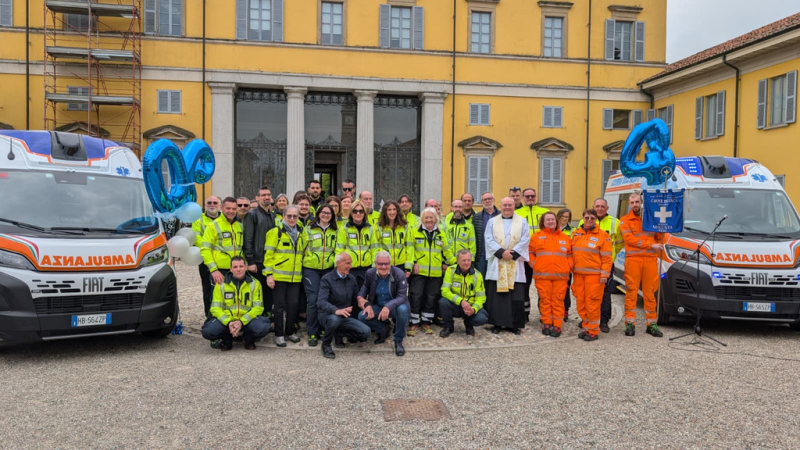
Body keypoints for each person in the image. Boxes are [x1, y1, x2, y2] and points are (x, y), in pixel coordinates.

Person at [201, 257, 270, 350]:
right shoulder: (221, 284)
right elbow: (215, 308)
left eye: (241, 266)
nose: (238, 269)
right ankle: (227, 338)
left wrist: (241, 322)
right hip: (227, 321)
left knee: (264, 327)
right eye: (235, 267)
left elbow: (258, 308)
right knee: (207, 331)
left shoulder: (255, 283)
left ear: (246, 267)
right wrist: (229, 322)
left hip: (247, 321)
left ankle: (248, 337)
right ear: (230, 269)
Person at [620, 192, 664, 338]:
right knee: (631, 292)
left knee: (650, 293)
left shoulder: (651, 219)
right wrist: (651, 245)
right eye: (632, 203)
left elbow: (659, 238)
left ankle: (651, 324)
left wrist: (661, 233)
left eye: (637, 202)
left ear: (642, 202)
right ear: (629, 204)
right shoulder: (625, 220)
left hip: (650, 259)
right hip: (633, 260)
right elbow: (630, 240)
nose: (635, 205)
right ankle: (630, 324)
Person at [484, 197, 530, 335]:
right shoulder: (492, 222)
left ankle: (514, 324)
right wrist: (501, 252)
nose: (508, 207)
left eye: (510, 205)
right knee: (498, 295)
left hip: (515, 262)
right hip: (498, 261)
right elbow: (488, 238)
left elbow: (526, 238)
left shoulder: (522, 221)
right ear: (500, 206)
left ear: (514, 206)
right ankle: (497, 323)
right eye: (505, 205)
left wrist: (514, 254)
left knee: (516, 295)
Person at [263, 205, 307, 347]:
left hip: (295, 277)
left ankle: (289, 332)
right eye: (289, 216)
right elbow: (268, 255)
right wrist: (269, 274)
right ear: (283, 216)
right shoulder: (275, 232)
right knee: (279, 306)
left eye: (295, 216)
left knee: (293, 305)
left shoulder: (301, 232)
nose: (292, 218)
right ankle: (279, 334)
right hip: (279, 276)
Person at [406, 207, 455, 336]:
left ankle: (426, 322)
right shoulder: (414, 232)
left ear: (435, 219)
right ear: (422, 219)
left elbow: (447, 252)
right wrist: (412, 264)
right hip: (419, 272)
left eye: (431, 217)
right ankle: (414, 323)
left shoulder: (441, 234)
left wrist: (455, 263)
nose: (429, 220)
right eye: (426, 217)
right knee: (416, 297)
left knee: (431, 298)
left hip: (435, 273)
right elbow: (410, 251)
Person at [579, 198, 624, 333]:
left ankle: (603, 321)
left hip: (605, 265)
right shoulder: (583, 222)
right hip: (588, 266)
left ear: (607, 208)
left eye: (602, 206)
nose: (599, 208)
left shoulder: (615, 223)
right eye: (597, 206)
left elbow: (621, 243)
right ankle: (587, 318)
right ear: (593, 207)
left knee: (605, 295)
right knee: (587, 294)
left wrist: (611, 257)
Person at [317, 253, 372, 359]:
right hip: (328, 315)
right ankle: (326, 344)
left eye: (350, 263)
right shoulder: (327, 279)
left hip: (344, 316)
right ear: (338, 263)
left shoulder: (351, 278)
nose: (350, 266)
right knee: (334, 319)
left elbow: (357, 297)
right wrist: (336, 310)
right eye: (348, 263)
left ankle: (339, 333)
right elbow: (321, 302)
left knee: (366, 332)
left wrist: (366, 304)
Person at [357, 251, 409, 357]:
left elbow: (402, 296)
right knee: (361, 316)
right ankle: (383, 329)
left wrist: (388, 306)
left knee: (403, 310)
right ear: (375, 264)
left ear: (390, 263)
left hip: (395, 307)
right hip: (378, 305)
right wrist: (361, 298)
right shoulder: (370, 273)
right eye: (380, 264)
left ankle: (398, 340)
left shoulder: (399, 274)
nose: (383, 266)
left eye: (386, 263)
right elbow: (365, 287)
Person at [529, 211, 573, 337]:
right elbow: (530, 252)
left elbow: (570, 255)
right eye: (547, 220)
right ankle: (547, 322)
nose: (550, 221)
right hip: (542, 276)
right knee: (545, 300)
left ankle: (557, 325)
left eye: (552, 219)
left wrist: (569, 266)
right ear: (543, 222)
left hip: (561, 276)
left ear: (556, 221)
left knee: (558, 301)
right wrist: (534, 264)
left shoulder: (565, 238)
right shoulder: (536, 237)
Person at [571, 209, 612, 342]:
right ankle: (587, 327)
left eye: (592, 218)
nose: (589, 220)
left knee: (592, 303)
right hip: (578, 275)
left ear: (596, 219)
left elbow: (607, 258)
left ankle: (594, 330)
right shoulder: (576, 234)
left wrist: (604, 274)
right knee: (580, 302)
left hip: (594, 276)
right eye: (587, 217)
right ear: (583, 218)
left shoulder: (603, 236)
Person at [302, 204, 338, 347]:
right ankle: (312, 331)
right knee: (313, 300)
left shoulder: (336, 231)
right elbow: (301, 249)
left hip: (328, 269)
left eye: (328, 213)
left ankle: (323, 328)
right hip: (311, 269)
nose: (325, 215)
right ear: (318, 214)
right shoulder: (308, 229)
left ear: (332, 215)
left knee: (325, 300)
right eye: (323, 212)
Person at [242, 186, 276, 323]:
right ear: (257, 198)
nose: (266, 197)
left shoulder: (272, 216)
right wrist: (250, 261)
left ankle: (267, 317)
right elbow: (248, 238)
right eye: (263, 195)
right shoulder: (252, 214)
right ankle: (257, 320)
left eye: (268, 195)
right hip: (257, 261)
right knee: (257, 293)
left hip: (269, 261)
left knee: (269, 293)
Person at [516, 187, 550, 321]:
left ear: (536, 197)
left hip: (542, 255)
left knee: (543, 287)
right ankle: (525, 313)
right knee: (524, 286)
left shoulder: (544, 212)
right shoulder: (517, 213)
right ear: (523, 198)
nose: (530, 198)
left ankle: (544, 313)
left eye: (532, 196)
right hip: (524, 255)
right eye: (527, 196)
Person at [439, 249, 489, 337]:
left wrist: (473, 309)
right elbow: (444, 291)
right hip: (456, 305)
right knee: (443, 302)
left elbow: (481, 298)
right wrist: (461, 301)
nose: (466, 263)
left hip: (470, 306)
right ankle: (448, 326)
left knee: (482, 318)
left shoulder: (477, 275)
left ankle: (469, 325)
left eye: (468, 260)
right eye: (463, 260)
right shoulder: (450, 270)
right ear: (457, 261)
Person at [200, 197, 244, 287]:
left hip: (238, 270)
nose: (231, 211)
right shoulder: (212, 226)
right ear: (221, 208)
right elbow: (205, 249)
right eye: (228, 208)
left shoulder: (240, 226)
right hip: (220, 271)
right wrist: (213, 270)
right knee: (219, 299)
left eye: (234, 209)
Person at [336, 200, 375, 290]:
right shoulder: (343, 229)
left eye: (361, 211)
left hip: (367, 268)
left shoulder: (371, 229)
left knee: (363, 297)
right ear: (351, 213)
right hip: (349, 269)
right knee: (350, 297)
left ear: (364, 213)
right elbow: (339, 250)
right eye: (355, 211)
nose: (358, 213)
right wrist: (340, 267)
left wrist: (373, 267)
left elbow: (375, 249)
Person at [192, 196, 220, 318]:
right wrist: (212, 247)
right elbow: (197, 239)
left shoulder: (225, 219)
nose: (212, 205)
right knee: (208, 290)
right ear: (205, 204)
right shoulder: (198, 220)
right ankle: (209, 316)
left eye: (215, 203)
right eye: (209, 202)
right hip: (205, 260)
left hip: (222, 260)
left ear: (220, 205)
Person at [372, 201, 409, 271]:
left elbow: (409, 248)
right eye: (389, 210)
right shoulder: (378, 227)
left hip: (401, 265)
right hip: (384, 265)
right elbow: (375, 248)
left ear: (397, 211)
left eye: (394, 209)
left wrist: (408, 267)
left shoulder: (404, 227)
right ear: (385, 212)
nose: (392, 212)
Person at [476, 192, 500, 276]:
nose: (487, 201)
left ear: (493, 200)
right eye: (484, 199)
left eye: (489, 199)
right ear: (482, 202)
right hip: (482, 255)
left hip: (497, 254)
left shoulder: (501, 215)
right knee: (481, 281)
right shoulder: (477, 217)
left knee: (496, 281)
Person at [461, 193, 485, 273]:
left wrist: (473, 258)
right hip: (456, 256)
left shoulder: (479, 216)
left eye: (469, 201)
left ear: (473, 202)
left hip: (474, 256)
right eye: (465, 201)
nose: (467, 202)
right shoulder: (450, 217)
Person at [557, 208, 574, 321]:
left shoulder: (572, 231)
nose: (564, 218)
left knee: (565, 289)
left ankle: (565, 310)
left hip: (565, 265)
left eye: (566, 217)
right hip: (552, 264)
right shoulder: (552, 229)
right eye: (562, 216)